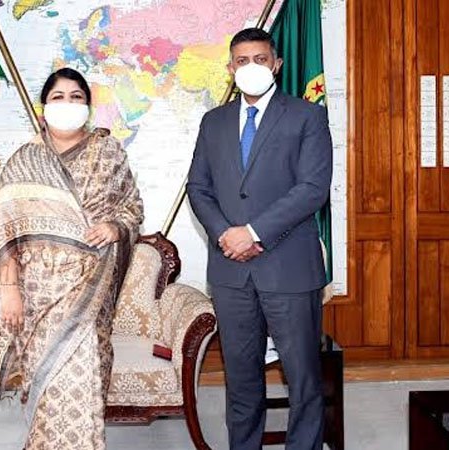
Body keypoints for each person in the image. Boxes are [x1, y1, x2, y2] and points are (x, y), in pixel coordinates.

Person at [0, 67, 143, 449]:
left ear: (88, 107)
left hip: (91, 290)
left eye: (76, 97)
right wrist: (9, 290)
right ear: (43, 108)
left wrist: (116, 227)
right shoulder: (24, 161)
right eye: (58, 97)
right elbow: (6, 232)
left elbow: (132, 207)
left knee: (84, 381)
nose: (67, 104)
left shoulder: (108, 153)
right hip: (37, 292)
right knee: (46, 383)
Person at [187, 28, 332, 450]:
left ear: (276, 64)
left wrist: (252, 233)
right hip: (231, 272)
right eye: (242, 61)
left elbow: (312, 188)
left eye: (260, 59)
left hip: (289, 267)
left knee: (303, 379)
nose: (251, 67)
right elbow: (198, 187)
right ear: (230, 68)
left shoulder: (307, 116)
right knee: (241, 380)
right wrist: (226, 235)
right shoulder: (213, 122)